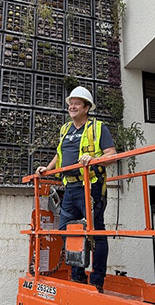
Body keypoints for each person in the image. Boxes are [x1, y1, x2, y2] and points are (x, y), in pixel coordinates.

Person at [36, 86, 117, 292]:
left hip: (90, 187)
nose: (72, 106)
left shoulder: (98, 128)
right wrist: (48, 168)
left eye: (77, 103)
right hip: (70, 188)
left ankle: (97, 280)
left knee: (96, 232)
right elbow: (59, 153)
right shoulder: (65, 129)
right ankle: (78, 276)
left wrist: (94, 159)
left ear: (87, 107)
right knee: (66, 231)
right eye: (71, 103)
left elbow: (112, 155)